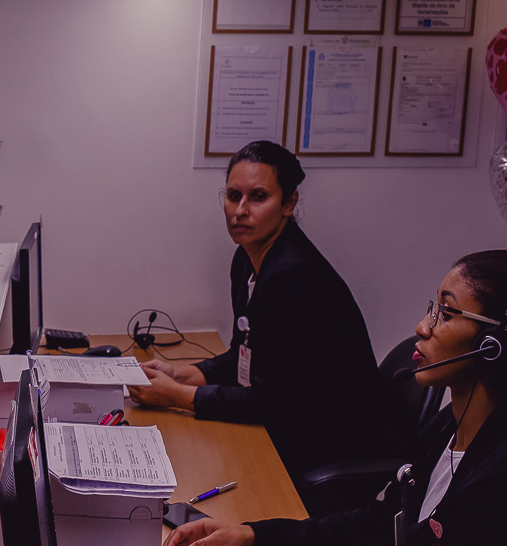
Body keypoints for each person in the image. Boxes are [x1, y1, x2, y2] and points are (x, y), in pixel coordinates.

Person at [156, 250, 507, 546]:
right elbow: (378, 527)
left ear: (492, 344)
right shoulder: (449, 428)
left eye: (446, 313)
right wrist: (252, 538)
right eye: (432, 308)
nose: (423, 326)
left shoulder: (495, 488)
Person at [128, 140, 401, 487]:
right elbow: (247, 350)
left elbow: (274, 403)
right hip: (288, 425)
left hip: (330, 443)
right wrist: (184, 375)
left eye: (258, 197)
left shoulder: (295, 276)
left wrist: (178, 397)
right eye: (232, 196)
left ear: (288, 203)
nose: (240, 210)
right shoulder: (246, 259)